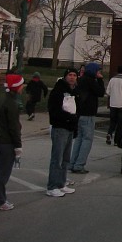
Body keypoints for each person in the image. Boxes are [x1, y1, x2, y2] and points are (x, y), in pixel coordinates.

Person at [0, 74, 24, 212]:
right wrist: (18, 145)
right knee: (2, 174)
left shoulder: (2, 100)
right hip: (7, 142)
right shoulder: (11, 104)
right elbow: (14, 127)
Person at [46, 69, 79, 198]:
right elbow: (54, 111)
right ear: (65, 77)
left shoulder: (75, 91)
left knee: (66, 159)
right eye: (70, 75)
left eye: (74, 75)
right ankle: (52, 186)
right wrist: (68, 118)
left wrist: (74, 124)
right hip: (60, 127)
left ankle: (61, 183)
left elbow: (77, 109)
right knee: (57, 158)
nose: (72, 77)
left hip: (70, 128)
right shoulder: (58, 91)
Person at [69, 62, 104, 174]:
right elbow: (101, 92)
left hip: (79, 113)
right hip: (88, 113)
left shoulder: (82, 80)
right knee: (87, 140)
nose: (99, 73)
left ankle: (72, 163)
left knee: (79, 139)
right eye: (98, 71)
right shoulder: (90, 81)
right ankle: (79, 165)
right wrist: (100, 79)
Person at [106, 65, 122, 144]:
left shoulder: (112, 80)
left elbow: (108, 92)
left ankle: (109, 133)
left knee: (113, 121)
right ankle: (117, 140)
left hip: (112, 104)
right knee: (120, 123)